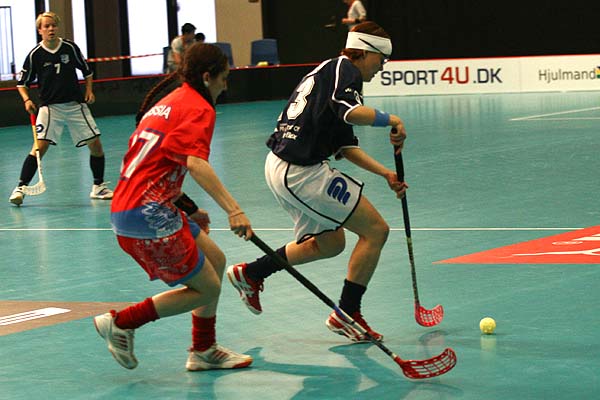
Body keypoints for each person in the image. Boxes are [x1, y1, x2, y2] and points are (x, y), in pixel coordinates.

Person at [226, 21, 407, 343]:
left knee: (331, 243)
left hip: (284, 166)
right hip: (301, 172)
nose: (382, 67)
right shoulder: (345, 70)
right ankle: (347, 314)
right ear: (366, 52)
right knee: (376, 231)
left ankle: (252, 272)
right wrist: (391, 119)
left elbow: (345, 147)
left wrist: (385, 174)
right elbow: (351, 113)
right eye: (382, 59)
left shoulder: (332, 74)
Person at [93, 42, 254, 371]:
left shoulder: (172, 100)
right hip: (146, 213)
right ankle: (122, 322)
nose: (226, 85)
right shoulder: (199, 108)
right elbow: (195, 164)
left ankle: (203, 349)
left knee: (215, 260)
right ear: (207, 77)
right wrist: (234, 210)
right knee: (206, 288)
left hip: (138, 204)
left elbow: (157, 163)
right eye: (224, 78)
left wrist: (189, 208)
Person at [9, 11, 113, 206]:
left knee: (96, 145)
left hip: (75, 105)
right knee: (39, 148)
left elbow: (87, 71)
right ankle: (21, 188)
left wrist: (89, 90)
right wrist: (27, 100)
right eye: (46, 26)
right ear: (40, 30)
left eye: (53, 25)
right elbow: (22, 83)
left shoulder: (70, 48)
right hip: (50, 108)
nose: (51, 29)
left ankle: (98, 186)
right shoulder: (35, 55)